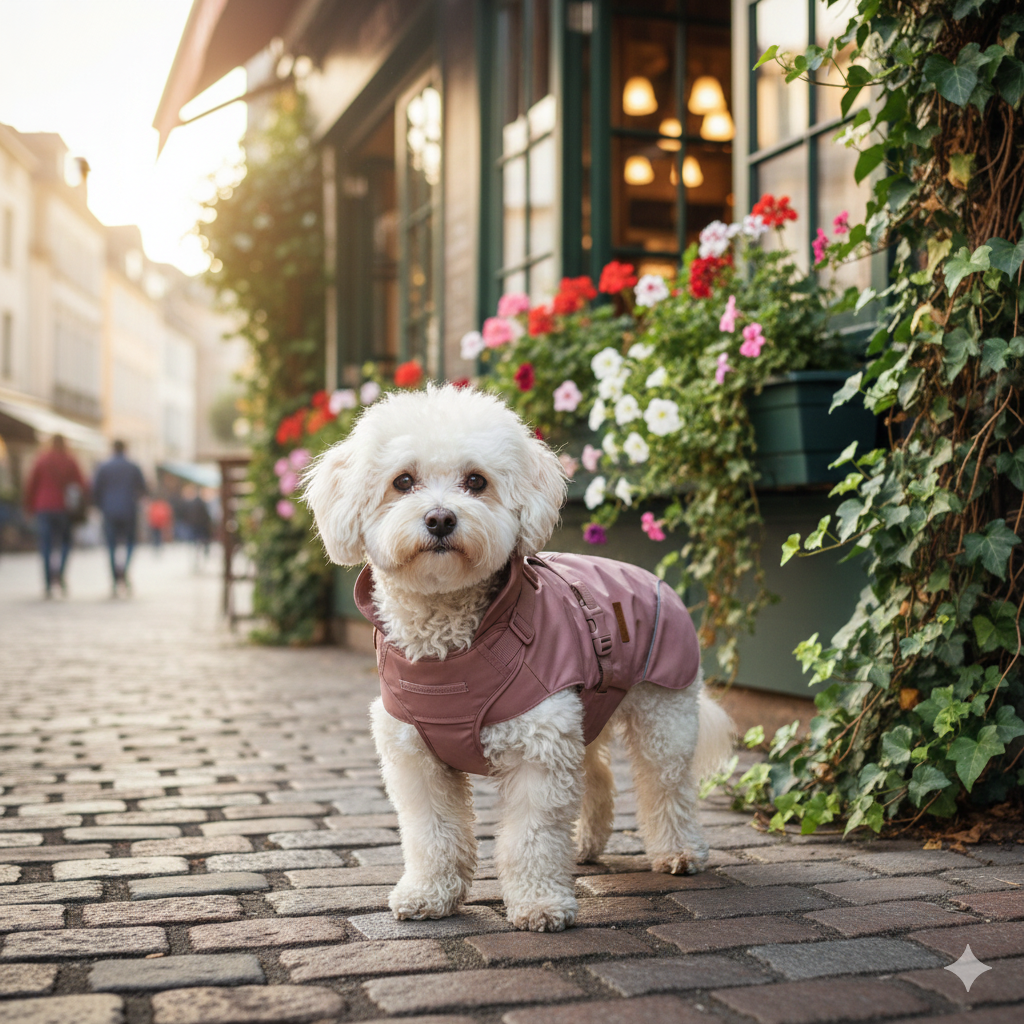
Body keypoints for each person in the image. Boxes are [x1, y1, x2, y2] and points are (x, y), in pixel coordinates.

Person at [23, 434, 88, 597]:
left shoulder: (41, 459)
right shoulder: (70, 460)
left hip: (43, 506)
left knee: (46, 544)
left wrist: (28, 507)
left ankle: (47, 582)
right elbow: (81, 484)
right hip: (64, 507)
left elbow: (31, 484)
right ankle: (59, 574)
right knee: (66, 542)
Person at [92, 440, 147, 596]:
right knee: (130, 543)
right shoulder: (133, 466)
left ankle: (115, 577)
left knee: (111, 546)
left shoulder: (103, 467)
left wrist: (100, 505)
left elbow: (95, 489)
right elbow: (143, 489)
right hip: (129, 510)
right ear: (125, 449)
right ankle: (124, 570)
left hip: (109, 510)